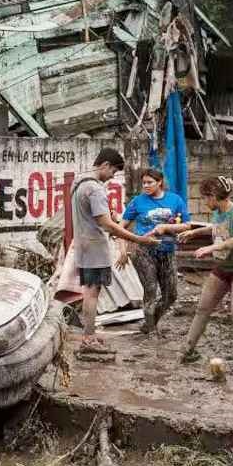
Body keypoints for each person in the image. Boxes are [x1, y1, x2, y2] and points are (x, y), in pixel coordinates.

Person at [72, 148, 160, 355]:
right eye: (113, 172)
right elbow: (108, 225)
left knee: (90, 292)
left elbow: (96, 217)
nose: (112, 177)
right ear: (105, 165)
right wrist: (138, 239)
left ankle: (89, 336)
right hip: (94, 247)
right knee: (92, 293)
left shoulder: (78, 184)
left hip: (83, 245)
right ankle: (88, 339)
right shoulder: (95, 189)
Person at [178, 176, 233, 365]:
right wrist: (195, 232)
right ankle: (187, 352)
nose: (205, 202)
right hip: (223, 267)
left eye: (205, 198)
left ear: (213, 196)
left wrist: (212, 247)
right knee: (202, 308)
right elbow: (216, 227)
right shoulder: (219, 212)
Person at [116, 168, 191, 333]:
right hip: (143, 252)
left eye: (150, 182)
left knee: (171, 295)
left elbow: (187, 225)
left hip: (167, 251)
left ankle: (150, 324)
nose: (146, 186)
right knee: (150, 290)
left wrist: (166, 227)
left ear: (160, 182)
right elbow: (120, 227)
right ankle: (150, 329)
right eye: (143, 183)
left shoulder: (175, 200)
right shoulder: (137, 201)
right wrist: (122, 251)